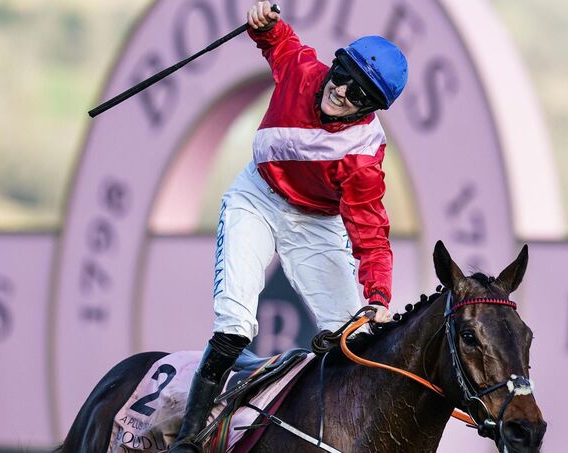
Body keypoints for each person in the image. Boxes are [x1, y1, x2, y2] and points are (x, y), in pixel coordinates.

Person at [171, 2, 408, 451]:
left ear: (370, 109)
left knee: (350, 342)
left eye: (358, 95)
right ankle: (187, 440)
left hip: (314, 225)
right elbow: (278, 40)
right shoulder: (303, 71)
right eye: (342, 78)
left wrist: (378, 297)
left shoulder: (362, 160)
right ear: (334, 66)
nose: (341, 93)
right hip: (256, 199)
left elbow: (371, 236)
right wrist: (264, 20)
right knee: (234, 327)